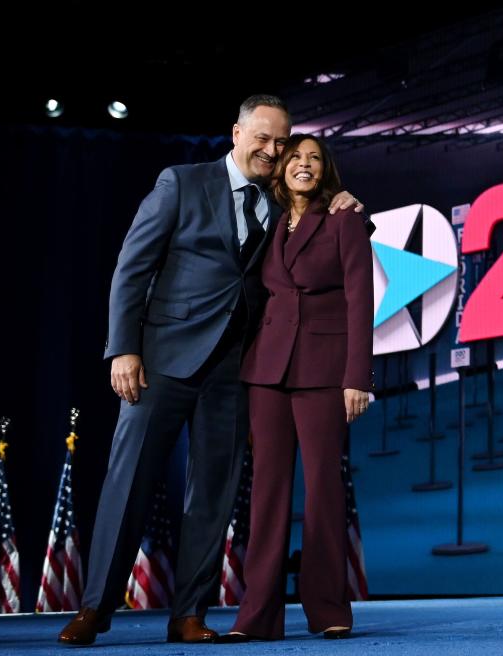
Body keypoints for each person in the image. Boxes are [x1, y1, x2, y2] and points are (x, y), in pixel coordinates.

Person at [58, 96, 364, 646]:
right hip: (162, 362)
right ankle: (94, 609)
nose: (273, 150)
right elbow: (132, 267)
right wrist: (123, 349)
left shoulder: (280, 199)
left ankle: (189, 614)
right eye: (263, 138)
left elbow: (313, 233)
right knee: (128, 484)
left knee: (214, 495)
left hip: (235, 370)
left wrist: (341, 197)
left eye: (282, 141)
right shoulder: (181, 182)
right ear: (237, 132)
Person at [218, 134, 373, 643]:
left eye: (314, 159)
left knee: (324, 488)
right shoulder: (266, 217)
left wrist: (357, 377)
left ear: (325, 171)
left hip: (325, 371)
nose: (303, 165)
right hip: (265, 371)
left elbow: (359, 300)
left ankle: (328, 607)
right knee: (266, 493)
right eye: (295, 158)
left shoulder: (344, 218)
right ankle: (258, 615)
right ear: (280, 168)